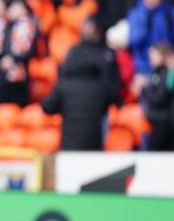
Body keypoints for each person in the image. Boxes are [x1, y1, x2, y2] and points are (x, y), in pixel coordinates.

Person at [43, 17, 121, 150]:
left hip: (93, 115)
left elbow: (48, 106)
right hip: (86, 116)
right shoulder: (75, 51)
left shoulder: (106, 53)